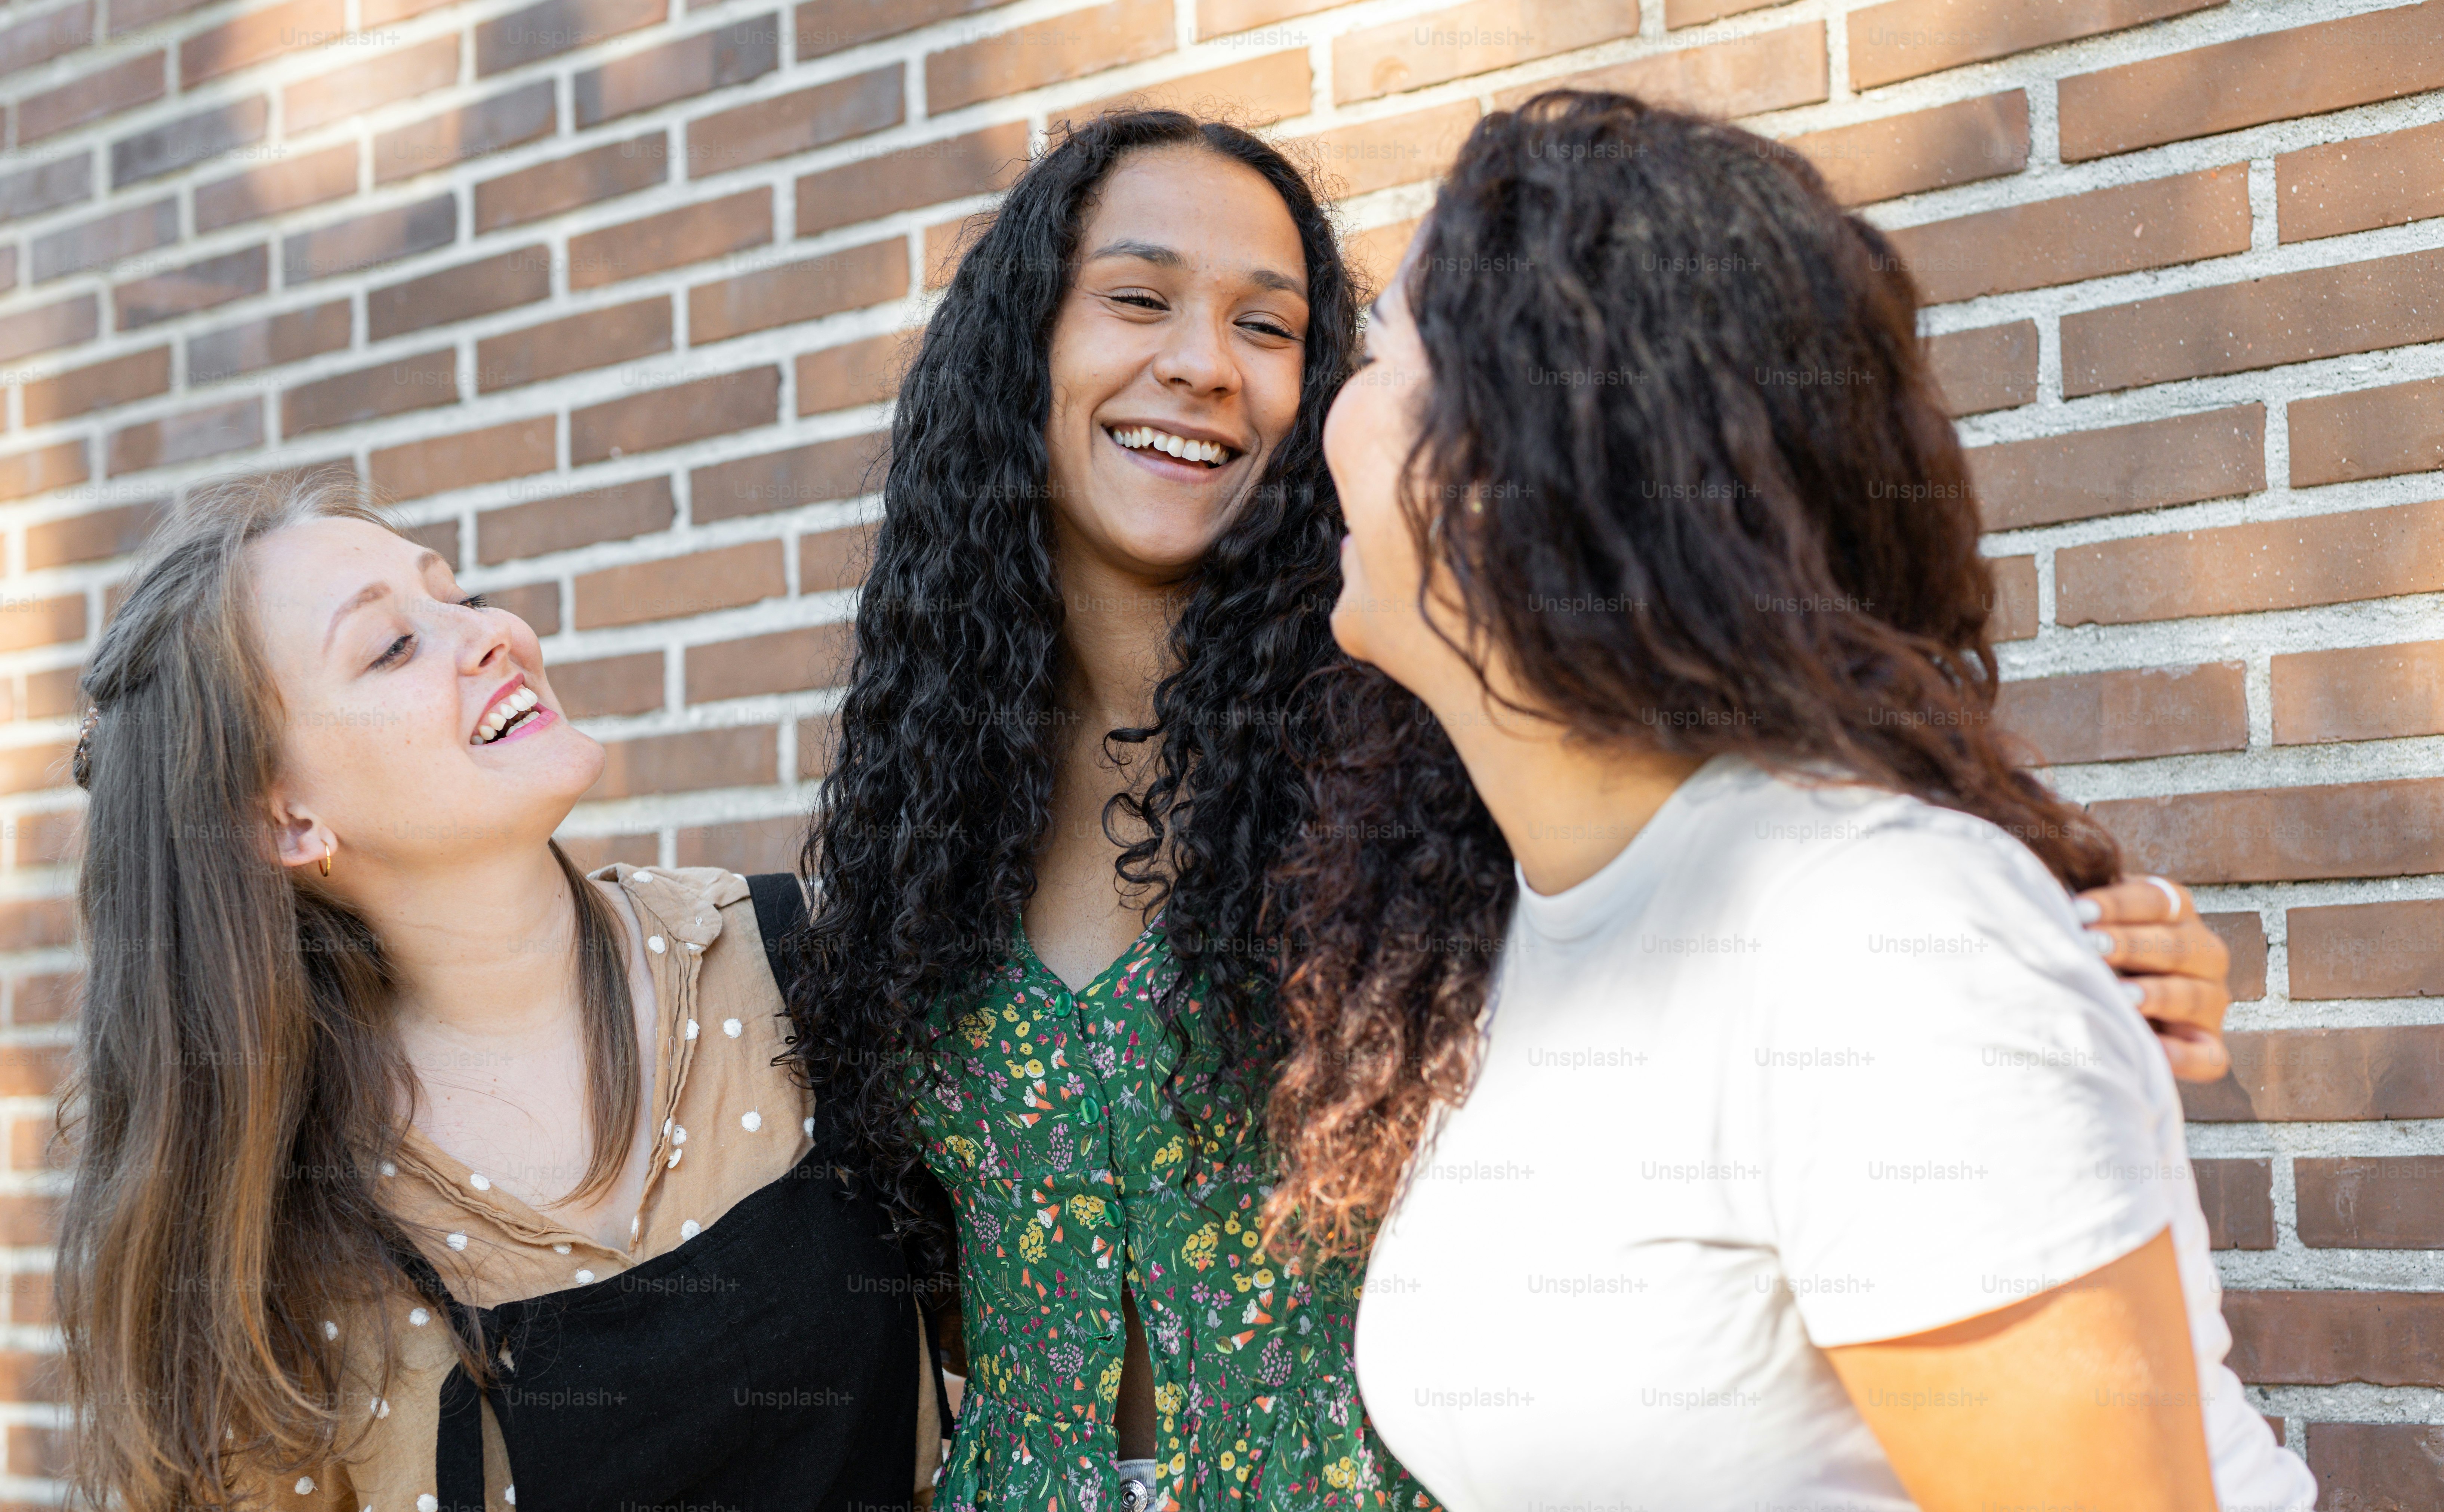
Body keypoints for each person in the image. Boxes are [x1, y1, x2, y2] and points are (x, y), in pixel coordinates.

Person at [782, 108, 2242, 1512]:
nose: (1205, 366)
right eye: (1138, 297)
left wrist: (2058, 958)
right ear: (1015, 349)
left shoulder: (1427, 769)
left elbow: (1777, 904)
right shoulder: (937, 804)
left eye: (1279, 327)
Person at [1264, 90, 2316, 1512]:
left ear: (1523, 475)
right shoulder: (1530, 932)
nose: (1327, 413)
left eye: (1379, 355)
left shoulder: (1875, 951)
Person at [57, 474, 939, 1512]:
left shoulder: (796, 964)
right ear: (287, 822)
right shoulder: (274, 1250)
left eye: (462, 599)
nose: (492, 635)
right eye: (391, 647)